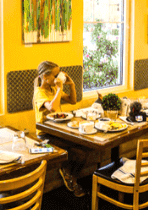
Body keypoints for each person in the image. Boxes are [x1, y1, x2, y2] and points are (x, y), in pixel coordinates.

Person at [33, 60, 88, 197]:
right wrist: (59, 88)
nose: (58, 78)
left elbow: (72, 100)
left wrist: (72, 85)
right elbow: (52, 107)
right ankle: (69, 175)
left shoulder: (53, 89)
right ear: (45, 77)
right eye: (55, 75)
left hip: (59, 133)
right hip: (45, 136)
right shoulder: (39, 93)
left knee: (84, 148)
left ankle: (69, 173)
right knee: (78, 152)